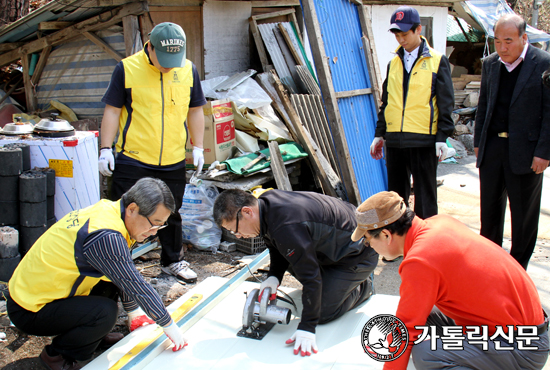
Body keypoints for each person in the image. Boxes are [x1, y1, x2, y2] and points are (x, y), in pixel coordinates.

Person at [351, 191, 549, 370]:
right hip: (527, 326)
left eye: (369, 241)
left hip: (524, 348)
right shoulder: (439, 223)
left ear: (386, 235)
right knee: (425, 316)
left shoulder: (420, 261)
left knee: (427, 353)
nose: (370, 246)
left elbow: (406, 329)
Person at [7, 178, 187, 370]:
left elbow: (122, 271)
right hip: (29, 308)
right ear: (133, 208)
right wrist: (169, 326)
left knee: (112, 280)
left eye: (160, 226)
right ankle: (58, 357)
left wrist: (134, 313)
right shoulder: (105, 235)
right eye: (154, 223)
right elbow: (135, 284)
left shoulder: (113, 212)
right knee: (104, 313)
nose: (153, 232)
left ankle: (92, 336)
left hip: (46, 293)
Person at [98, 22, 207, 282]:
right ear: (150, 47)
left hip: (172, 159)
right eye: (165, 59)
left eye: (175, 59)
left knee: (172, 212)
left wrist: (199, 146)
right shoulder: (126, 69)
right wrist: (105, 148)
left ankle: (173, 261)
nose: (169, 65)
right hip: (133, 158)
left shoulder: (188, 70)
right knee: (124, 212)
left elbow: (195, 110)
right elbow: (112, 110)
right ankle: (115, 266)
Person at [213, 189, 378, 357]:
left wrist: (307, 327)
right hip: (333, 247)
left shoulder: (286, 226)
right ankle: (335, 282)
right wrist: (274, 277)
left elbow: (311, 278)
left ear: (247, 212)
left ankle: (363, 286)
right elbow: (276, 245)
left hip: (359, 254)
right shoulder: (265, 205)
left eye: (235, 230)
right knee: (295, 256)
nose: (238, 236)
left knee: (322, 312)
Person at [474, 14, 550, 269]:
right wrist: (478, 143)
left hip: (527, 152)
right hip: (493, 148)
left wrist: (544, 151)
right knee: (490, 213)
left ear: (524, 38)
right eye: (497, 41)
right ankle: (490, 267)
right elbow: (484, 105)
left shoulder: (543, 64)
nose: (502, 48)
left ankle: (518, 271)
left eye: (508, 41)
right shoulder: (491, 64)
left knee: (523, 218)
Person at [370, 6, 454, 220]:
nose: (401, 39)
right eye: (397, 35)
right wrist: (380, 134)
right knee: (395, 199)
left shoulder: (436, 61)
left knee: (425, 198)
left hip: (423, 141)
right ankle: (400, 245)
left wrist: (442, 138)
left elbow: (446, 103)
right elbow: (387, 102)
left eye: (405, 34)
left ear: (418, 29)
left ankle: (427, 245)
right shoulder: (394, 63)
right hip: (396, 141)